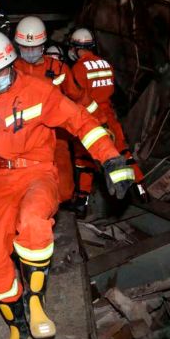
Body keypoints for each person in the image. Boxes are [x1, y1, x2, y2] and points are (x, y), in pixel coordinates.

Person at [0, 30, 135, 339]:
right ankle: (16, 327)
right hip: (2, 178)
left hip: (38, 172)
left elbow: (81, 122)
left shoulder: (39, 92)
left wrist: (111, 158)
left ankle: (34, 298)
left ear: (12, 65)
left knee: (33, 221)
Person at [64, 28, 147, 215]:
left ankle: (81, 202)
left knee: (84, 161)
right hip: (110, 116)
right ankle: (141, 189)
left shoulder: (77, 69)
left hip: (90, 119)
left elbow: (78, 97)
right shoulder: (105, 64)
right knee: (123, 152)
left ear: (76, 47)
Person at [13, 16, 76, 203]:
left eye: (34, 47)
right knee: (23, 189)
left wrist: (101, 123)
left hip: (56, 136)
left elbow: (79, 99)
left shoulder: (59, 69)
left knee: (64, 190)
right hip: (22, 138)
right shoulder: (11, 69)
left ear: (43, 45)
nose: (30, 51)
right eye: (25, 47)